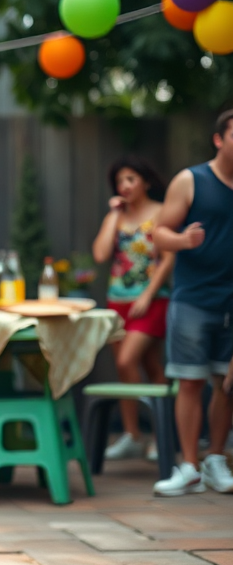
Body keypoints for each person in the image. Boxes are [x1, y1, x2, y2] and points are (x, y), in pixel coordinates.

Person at [152, 109, 233, 496]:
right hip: (193, 298)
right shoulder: (191, 180)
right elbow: (158, 233)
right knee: (190, 380)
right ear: (219, 140)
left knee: (228, 384)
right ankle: (189, 467)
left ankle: (216, 459)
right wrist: (183, 241)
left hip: (231, 302)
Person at [91, 155, 174, 461]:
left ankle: (158, 436)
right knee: (147, 367)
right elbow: (100, 254)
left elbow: (168, 259)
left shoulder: (161, 212)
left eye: (130, 179)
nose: (124, 186)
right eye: (119, 182)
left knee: (127, 361)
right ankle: (135, 435)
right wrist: (113, 215)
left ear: (146, 182)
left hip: (151, 301)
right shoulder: (115, 216)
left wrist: (147, 296)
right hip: (118, 301)